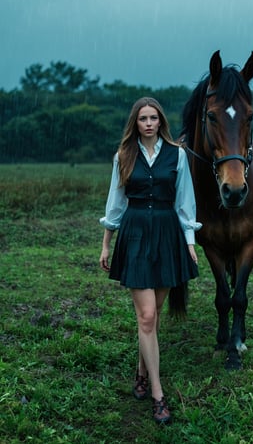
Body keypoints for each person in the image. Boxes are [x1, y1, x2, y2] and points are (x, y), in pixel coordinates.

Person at [99, 97, 201, 424]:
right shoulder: (123, 156)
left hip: (168, 235)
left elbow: (185, 202)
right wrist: (106, 245)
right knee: (146, 316)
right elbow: (115, 204)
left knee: (153, 316)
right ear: (135, 122)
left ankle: (141, 371)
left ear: (160, 122)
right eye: (142, 118)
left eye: (153, 118)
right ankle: (158, 394)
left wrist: (189, 243)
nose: (148, 123)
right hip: (135, 234)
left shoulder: (178, 155)